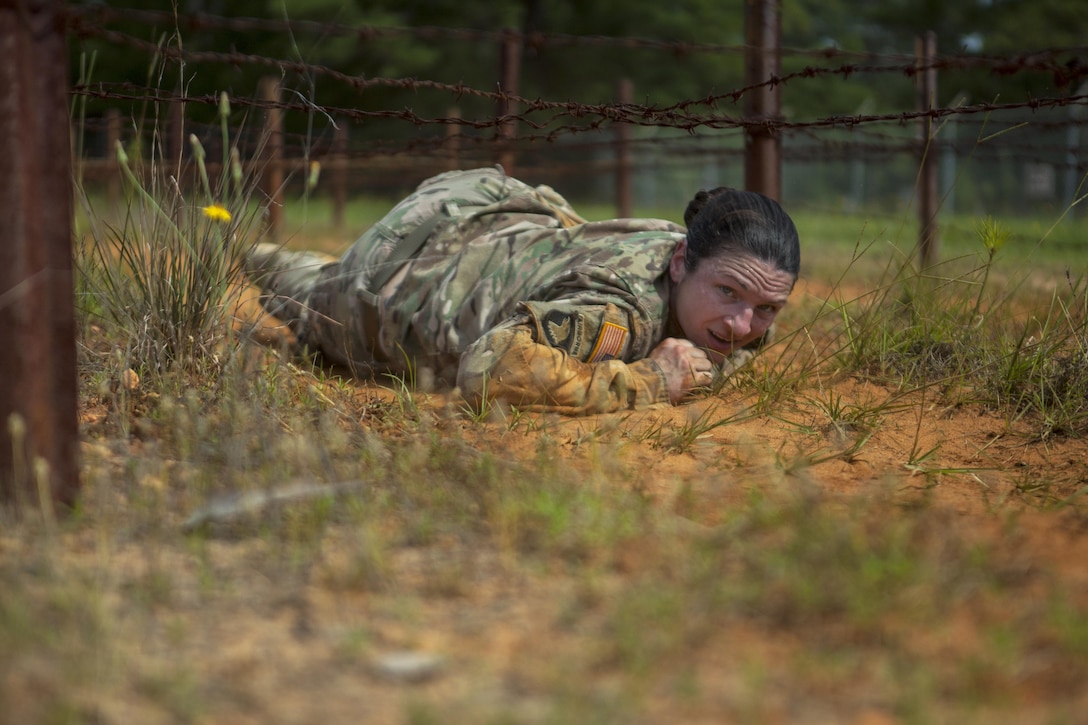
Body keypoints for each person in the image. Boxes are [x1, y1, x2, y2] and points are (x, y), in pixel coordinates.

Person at [245, 165, 800, 415]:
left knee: (308, 270)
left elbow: (739, 340)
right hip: (396, 289)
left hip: (492, 224)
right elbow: (487, 369)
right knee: (300, 285)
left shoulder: (712, 260)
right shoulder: (618, 313)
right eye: (728, 294)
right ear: (681, 261)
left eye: (767, 309)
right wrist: (653, 380)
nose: (742, 327)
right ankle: (227, 249)